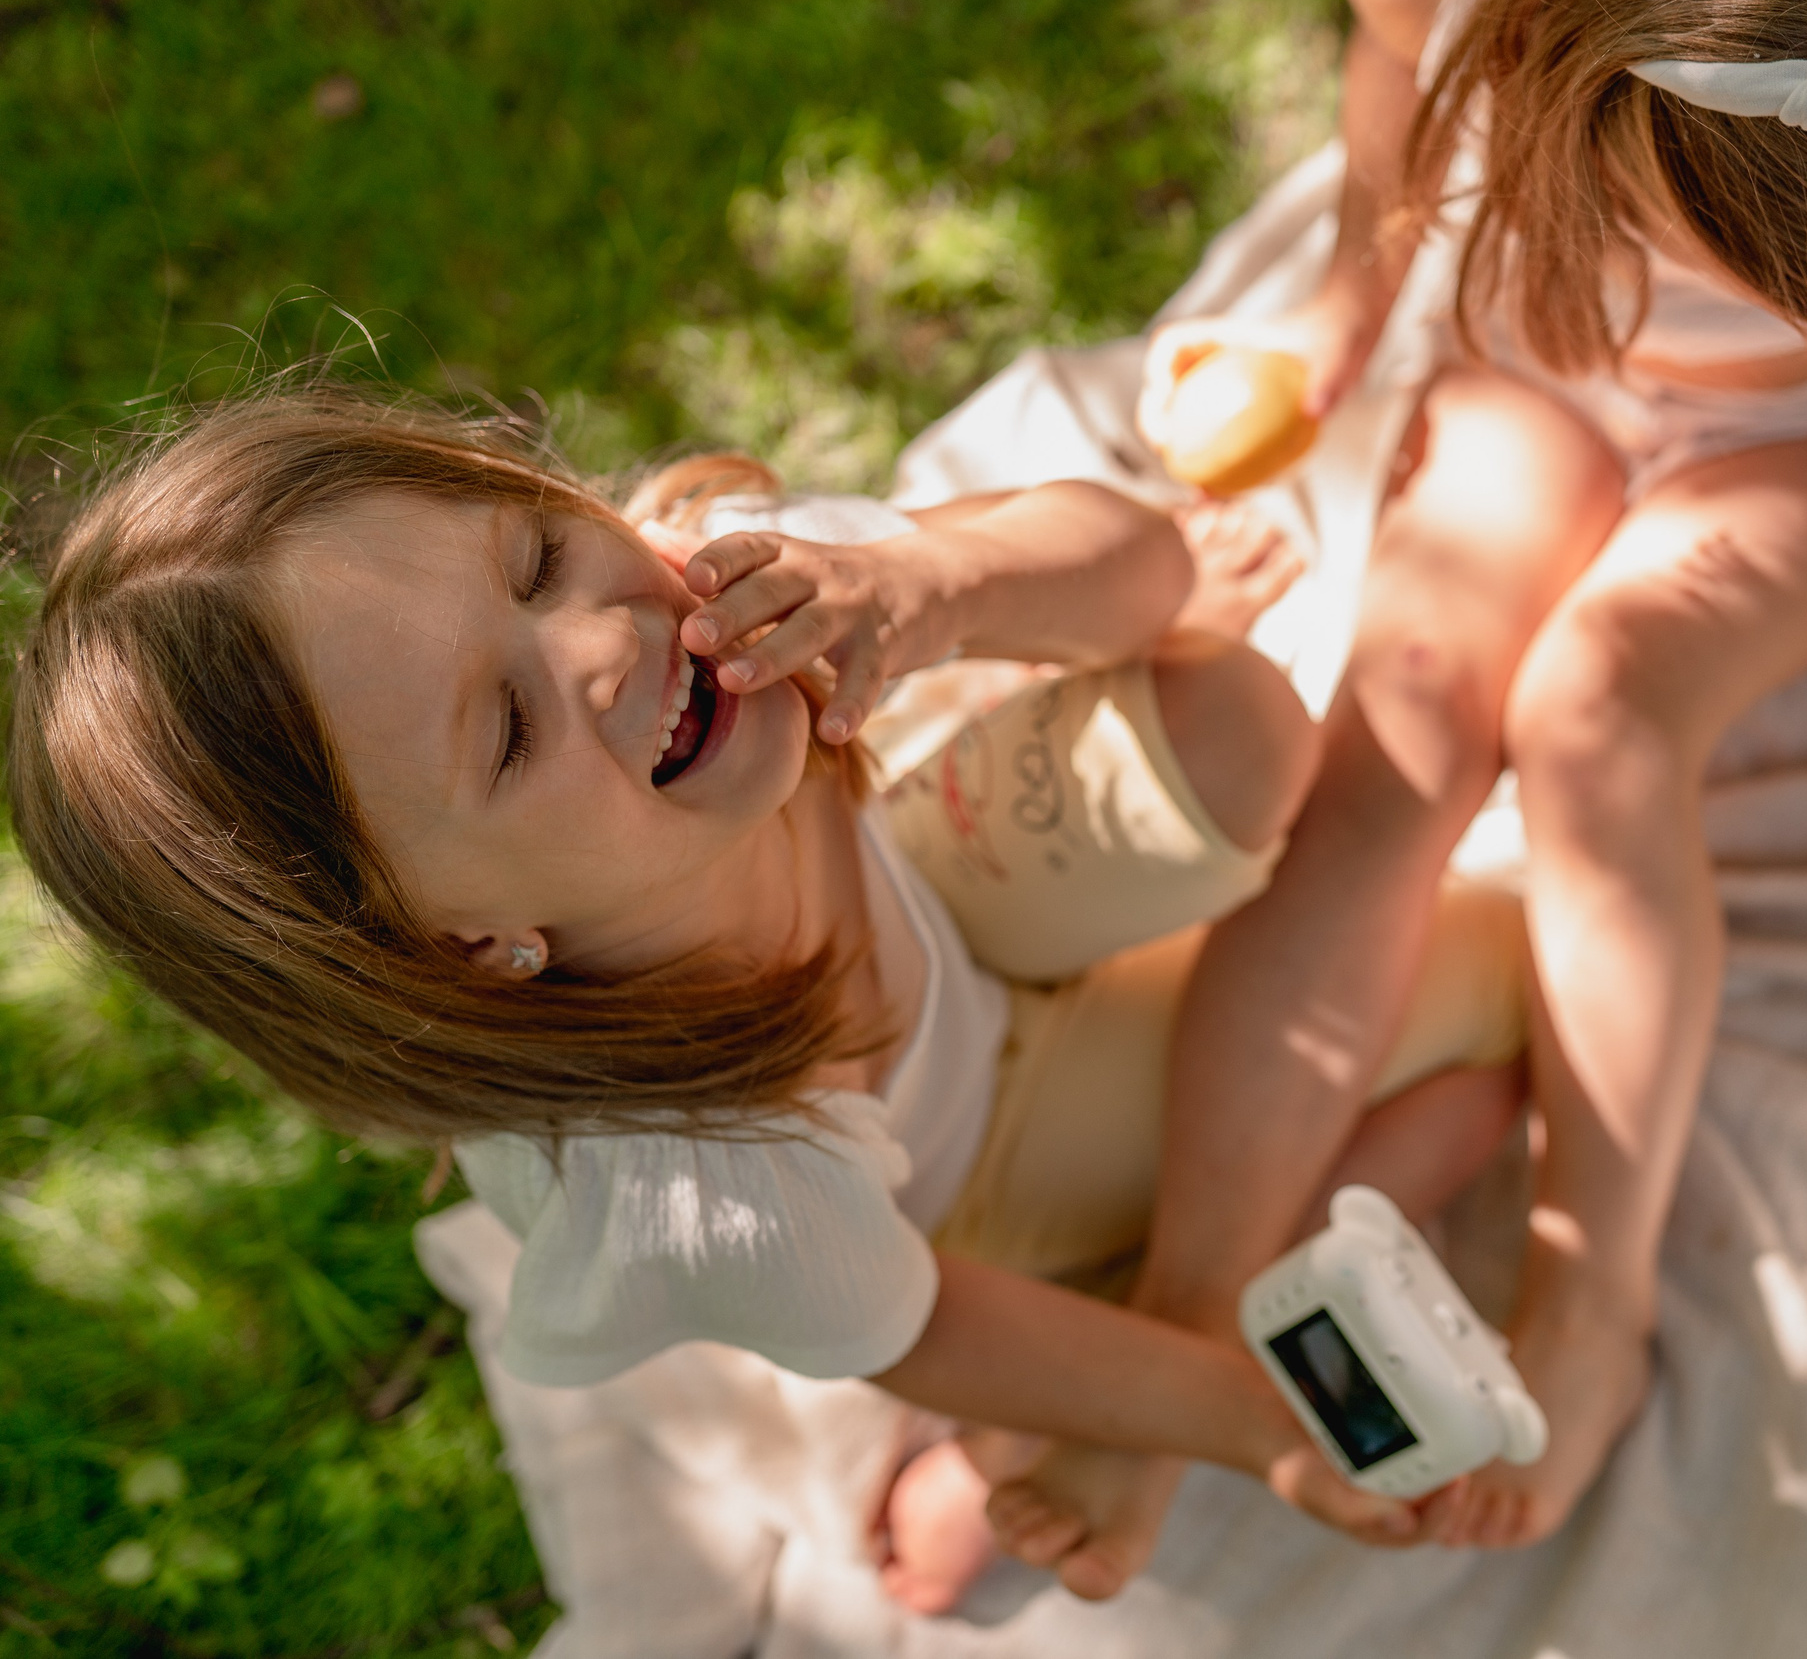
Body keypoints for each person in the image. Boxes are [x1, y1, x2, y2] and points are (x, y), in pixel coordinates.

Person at [984, 0, 1807, 1595]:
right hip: (1543, 348)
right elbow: (1394, 74)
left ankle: (1591, 1286)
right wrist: (1351, 297)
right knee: (1406, 724)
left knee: (1599, 720)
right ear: (1575, 63)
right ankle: (1187, 1321)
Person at [5, 390, 1539, 1616]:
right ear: (462, 945)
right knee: (1479, 1038)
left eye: (535, 560)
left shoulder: (745, 594)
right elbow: (927, 1325)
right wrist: (1259, 1429)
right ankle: (1141, 1358)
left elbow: (1151, 575)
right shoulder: (692, 1176)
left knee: (1237, 725)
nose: (607, 640)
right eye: (509, 730)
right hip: (979, 1168)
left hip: (945, 893)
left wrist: (935, 586)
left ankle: (1146, 1342)